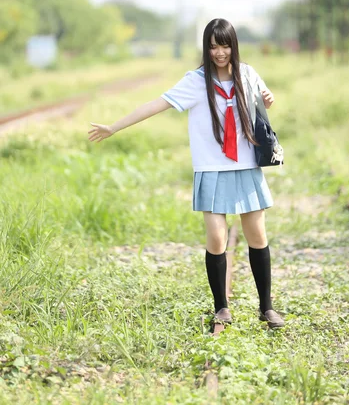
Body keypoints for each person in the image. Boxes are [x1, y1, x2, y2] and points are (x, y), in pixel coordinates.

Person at [88, 18, 284, 328]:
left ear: (234, 45)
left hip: (245, 165)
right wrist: (114, 127)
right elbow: (156, 104)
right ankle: (221, 307)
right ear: (206, 48)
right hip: (212, 168)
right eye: (213, 46)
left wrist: (268, 100)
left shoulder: (248, 74)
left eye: (225, 45)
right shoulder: (196, 81)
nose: (220, 52)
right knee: (217, 238)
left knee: (257, 235)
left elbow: (263, 104)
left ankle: (267, 307)